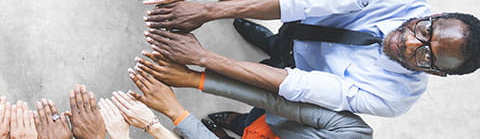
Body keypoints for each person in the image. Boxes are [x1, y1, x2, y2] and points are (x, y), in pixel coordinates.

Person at [144, 0, 480, 120]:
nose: (411, 41)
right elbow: (304, 2)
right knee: (280, 38)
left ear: (436, 73)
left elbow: (301, 87)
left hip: (303, 75)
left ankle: (239, 123)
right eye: (427, 28)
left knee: (269, 106)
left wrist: (205, 59)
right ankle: (269, 40)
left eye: (427, 54)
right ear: (436, 14)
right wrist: (209, 8)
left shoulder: (396, 99)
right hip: (302, 29)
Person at [133, 53, 373, 139]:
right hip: (272, 119)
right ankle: (236, 122)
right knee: (250, 119)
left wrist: (175, 112)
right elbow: (273, 102)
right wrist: (196, 79)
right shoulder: (351, 133)